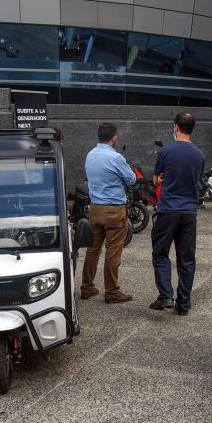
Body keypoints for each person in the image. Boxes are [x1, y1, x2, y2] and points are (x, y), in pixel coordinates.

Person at [149, 112, 205, 316]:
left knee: (160, 253)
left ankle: (165, 296)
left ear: (176, 127)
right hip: (189, 212)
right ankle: (184, 304)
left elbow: (156, 180)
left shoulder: (166, 151)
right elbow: (196, 180)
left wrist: (163, 180)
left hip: (168, 210)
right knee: (187, 258)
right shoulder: (199, 155)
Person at [81, 122, 136, 304]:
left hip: (95, 208)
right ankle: (111, 291)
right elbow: (131, 179)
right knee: (113, 251)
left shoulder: (90, 155)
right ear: (114, 138)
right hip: (114, 210)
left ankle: (87, 287)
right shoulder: (116, 157)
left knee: (92, 249)